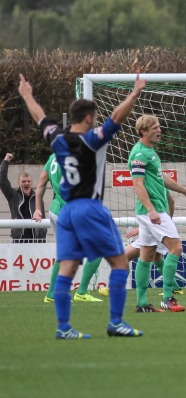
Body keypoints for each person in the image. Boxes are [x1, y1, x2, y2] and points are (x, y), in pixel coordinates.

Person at [18, 72, 145, 339]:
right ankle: (116, 322)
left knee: (67, 268)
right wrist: (133, 94)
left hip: (66, 212)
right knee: (120, 264)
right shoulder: (93, 138)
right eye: (95, 116)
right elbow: (117, 118)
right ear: (88, 118)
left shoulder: (58, 139)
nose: (97, 120)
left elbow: (40, 117)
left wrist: (27, 94)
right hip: (90, 208)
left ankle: (64, 328)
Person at [129, 114, 186, 312]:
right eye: (154, 128)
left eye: (159, 127)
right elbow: (137, 184)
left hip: (151, 211)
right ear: (143, 131)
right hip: (153, 211)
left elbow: (162, 178)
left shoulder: (150, 152)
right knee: (176, 248)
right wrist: (151, 210)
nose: (159, 131)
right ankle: (168, 297)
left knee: (146, 255)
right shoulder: (139, 154)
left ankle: (142, 303)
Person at [34, 154, 103, 303]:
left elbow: (41, 183)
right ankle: (82, 292)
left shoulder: (53, 156)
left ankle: (52, 295)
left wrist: (38, 208)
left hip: (55, 211)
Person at [98, 191, 184, 308]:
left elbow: (150, 210)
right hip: (159, 227)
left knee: (127, 257)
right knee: (155, 258)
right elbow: (171, 202)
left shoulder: (145, 183)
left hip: (154, 226)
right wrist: (167, 222)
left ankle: (116, 287)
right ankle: (173, 288)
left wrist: (141, 228)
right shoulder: (160, 183)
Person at [1, 153, 47, 243]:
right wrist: (6, 161)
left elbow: (43, 221)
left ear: (32, 183)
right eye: (23, 181)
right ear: (19, 183)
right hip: (19, 241)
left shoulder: (37, 198)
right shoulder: (13, 196)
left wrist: (42, 240)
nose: (26, 183)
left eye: (28, 181)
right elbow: (2, 181)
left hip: (36, 241)